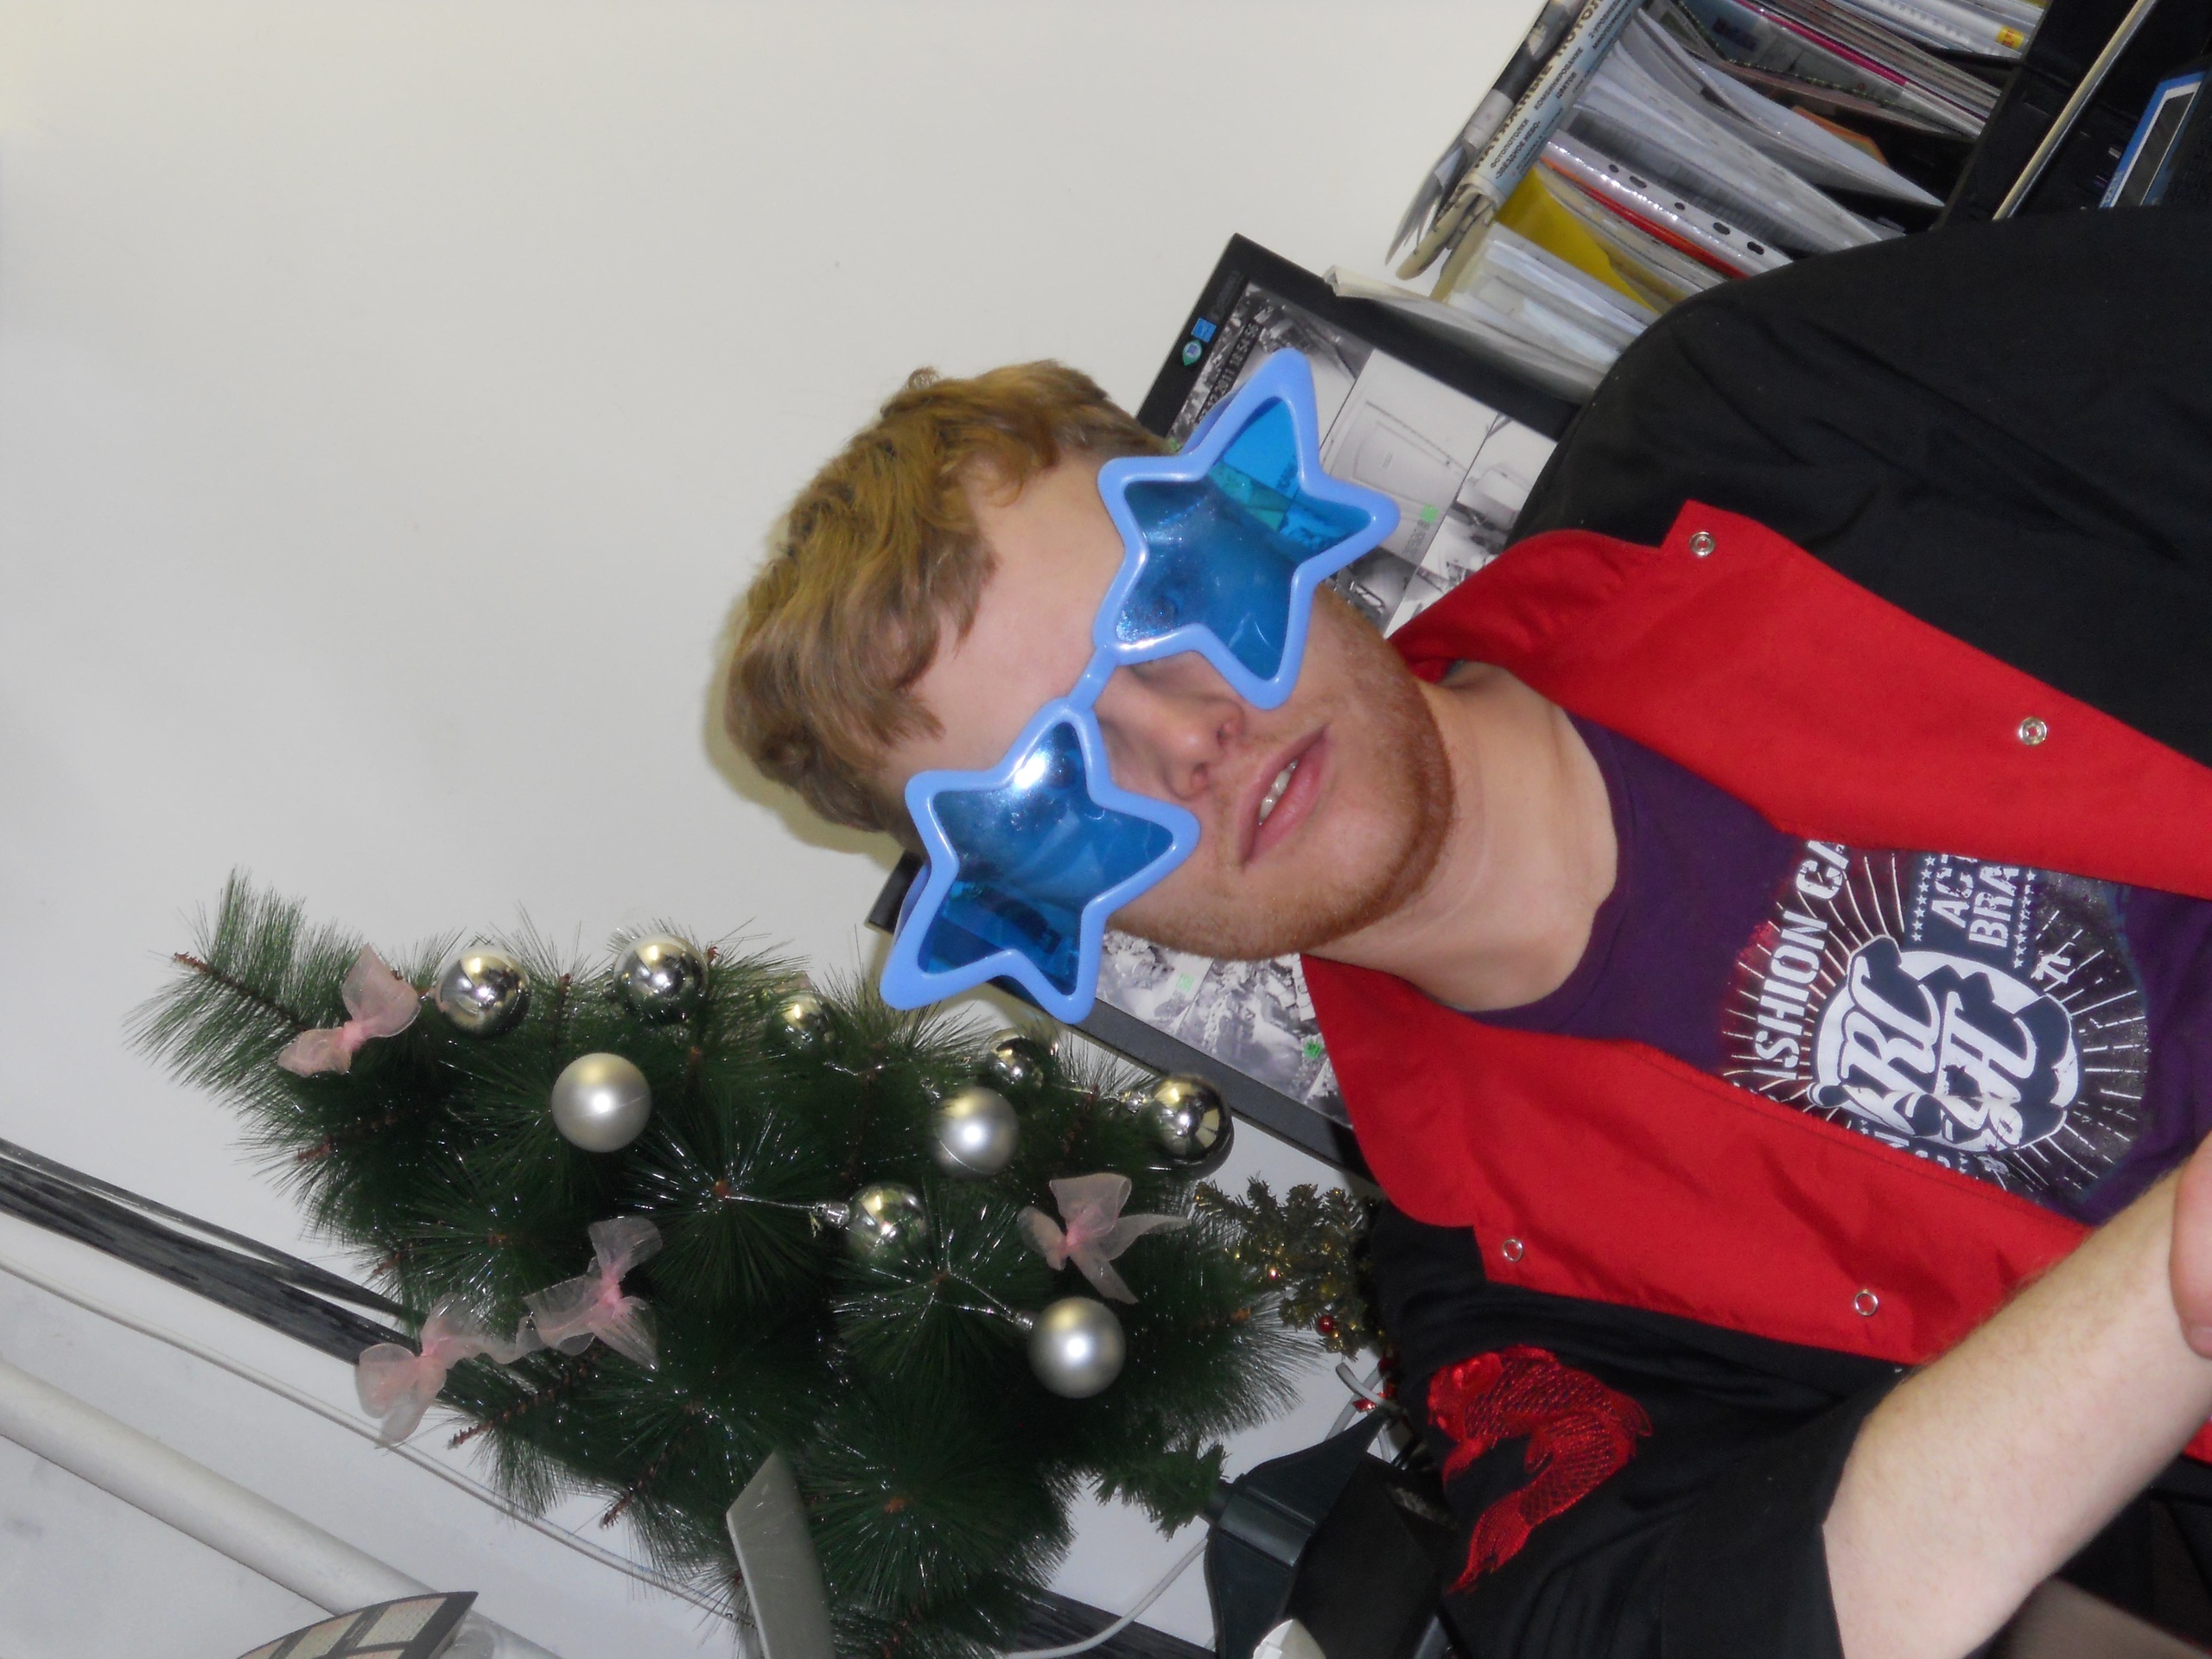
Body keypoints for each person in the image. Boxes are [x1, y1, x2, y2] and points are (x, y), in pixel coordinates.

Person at [722, 208, 2212, 1658]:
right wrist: (2171, 1280)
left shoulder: (1765, 424)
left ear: (1252, 520)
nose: (1187, 738)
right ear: (1046, 904)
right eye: (1056, 788)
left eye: (1168, 605)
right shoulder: (1505, 1299)